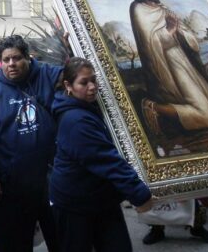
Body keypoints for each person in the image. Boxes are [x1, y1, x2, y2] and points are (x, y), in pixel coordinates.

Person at [51, 57, 154, 252]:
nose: (91, 87)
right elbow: (106, 160)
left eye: (93, 80)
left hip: (99, 198)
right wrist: (139, 193)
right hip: (75, 204)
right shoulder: (76, 120)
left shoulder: (88, 107)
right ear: (68, 85)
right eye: (83, 82)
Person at [0, 35, 61, 252]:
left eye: (16, 58)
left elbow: (73, 74)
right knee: (13, 244)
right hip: (11, 186)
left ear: (28, 58)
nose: (11, 64)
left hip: (51, 181)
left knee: (63, 239)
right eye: (6, 60)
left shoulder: (46, 76)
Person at [129, 0, 208, 134]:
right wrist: (170, 30)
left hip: (182, 60)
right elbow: (149, 43)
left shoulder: (163, 8)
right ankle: (152, 106)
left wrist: (179, 31)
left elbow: (187, 34)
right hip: (166, 64)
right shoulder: (138, 9)